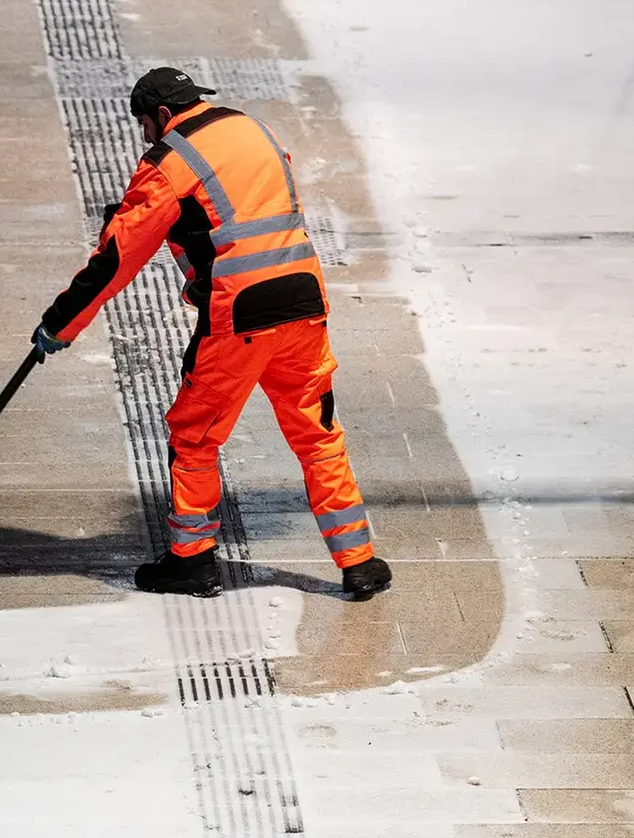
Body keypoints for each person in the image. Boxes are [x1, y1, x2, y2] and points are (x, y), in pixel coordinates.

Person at [30, 67, 391, 600]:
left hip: (240, 314)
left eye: (145, 125)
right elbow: (248, 211)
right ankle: (359, 562)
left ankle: (192, 560)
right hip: (304, 298)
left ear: (161, 115)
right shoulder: (253, 128)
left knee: (194, 435)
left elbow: (117, 258)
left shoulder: (168, 162)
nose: (147, 136)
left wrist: (60, 323)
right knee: (316, 433)